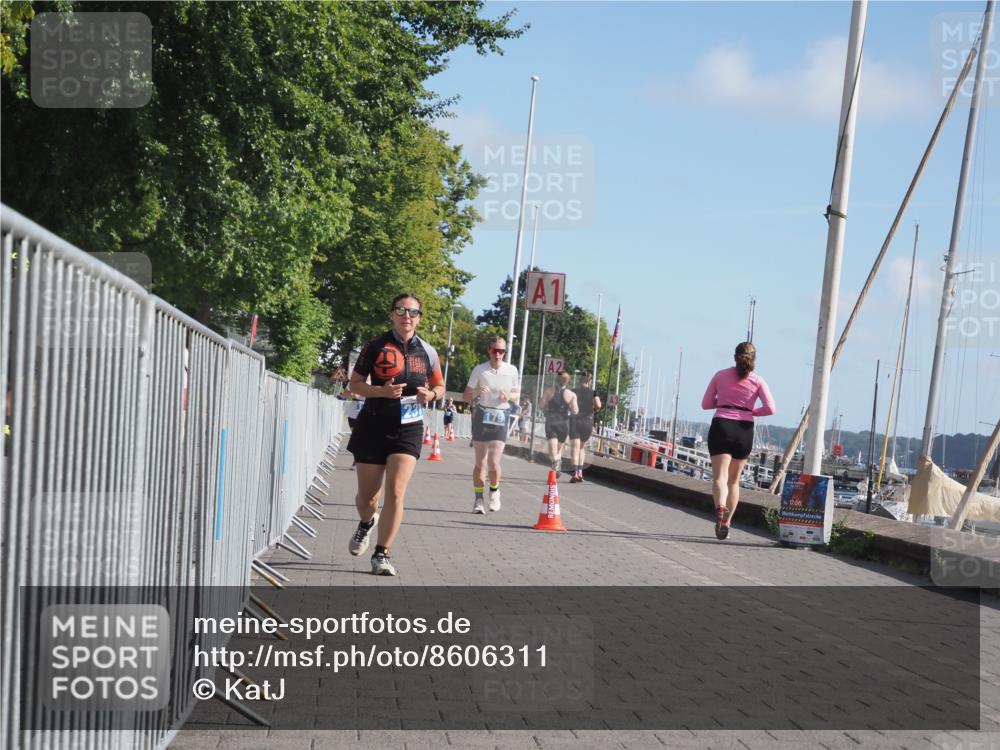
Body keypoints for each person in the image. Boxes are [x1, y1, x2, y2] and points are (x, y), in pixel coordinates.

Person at [346, 293, 445, 575]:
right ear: (392, 314)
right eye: (401, 311)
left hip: (408, 427)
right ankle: (366, 522)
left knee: (396, 490)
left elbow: (440, 386)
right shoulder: (375, 346)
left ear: (419, 318)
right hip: (373, 424)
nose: (407, 317)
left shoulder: (428, 351)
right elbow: (355, 384)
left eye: (413, 312)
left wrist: (430, 395)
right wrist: (381, 391)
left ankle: (382, 554)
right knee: (367, 499)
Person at [701, 341, 775, 540]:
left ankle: (720, 507)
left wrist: (724, 402)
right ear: (754, 359)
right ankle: (726, 522)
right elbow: (771, 408)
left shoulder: (720, 375)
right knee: (734, 481)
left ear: (735, 357)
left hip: (721, 426)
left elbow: (706, 404)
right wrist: (751, 411)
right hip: (744, 430)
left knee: (720, 477)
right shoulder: (758, 381)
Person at [464, 337, 520, 513]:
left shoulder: (511, 370)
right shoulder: (480, 370)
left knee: (494, 462)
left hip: (501, 415)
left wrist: (508, 397)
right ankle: (479, 499)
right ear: (489, 350)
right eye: (495, 350)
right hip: (482, 414)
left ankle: (494, 491)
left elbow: (516, 395)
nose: (498, 354)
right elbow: (466, 396)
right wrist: (477, 391)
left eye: (502, 351)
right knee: (480, 462)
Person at [540, 370, 578, 474]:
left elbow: (541, 406)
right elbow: (575, 411)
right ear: (567, 382)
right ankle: (557, 465)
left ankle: (556, 463)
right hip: (564, 423)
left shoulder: (549, 391)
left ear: (556, 379)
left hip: (552, 421)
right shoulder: (571, 395)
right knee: (558, 448)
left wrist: (546, 405)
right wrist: (570, 405)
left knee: (553, 449)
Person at [569, 372, 602, 483]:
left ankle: (575, 472)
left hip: (575, 421)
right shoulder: (593, 392)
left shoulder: (573, 391)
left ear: (579, 379)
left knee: (575, 447)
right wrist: (594, 410)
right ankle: (580, 472)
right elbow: (598, 405)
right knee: (581, 448)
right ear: (590, 381)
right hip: (587, 421)